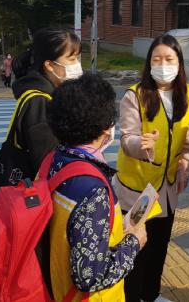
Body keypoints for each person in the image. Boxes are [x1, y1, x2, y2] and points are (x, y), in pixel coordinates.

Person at [0, 28, 82, 302]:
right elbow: (49, 165)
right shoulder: (41, 103)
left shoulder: (35, 95)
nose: (78, 65)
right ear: (49, 65)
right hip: (28, 210)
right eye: (72, 58)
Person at [45, 72, 147, 302]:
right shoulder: (93, 189)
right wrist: (134, 243)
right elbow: (89, 276)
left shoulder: (54, 160)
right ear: (105, 129)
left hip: (56, 288)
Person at [114, 34, 189, 302]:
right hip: (137, 191)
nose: (163, 65)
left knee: (159, 246)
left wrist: (185, 165)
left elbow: (187, 141)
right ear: (148, 63)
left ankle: (151, 295)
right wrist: (142, 145)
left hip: (166, 190)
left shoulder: (187, 93)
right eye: (156, 59)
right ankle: (131, 297)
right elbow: (127, 139)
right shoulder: (135, 95)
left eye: (169, 59)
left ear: (179, 63)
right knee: (134, 249)